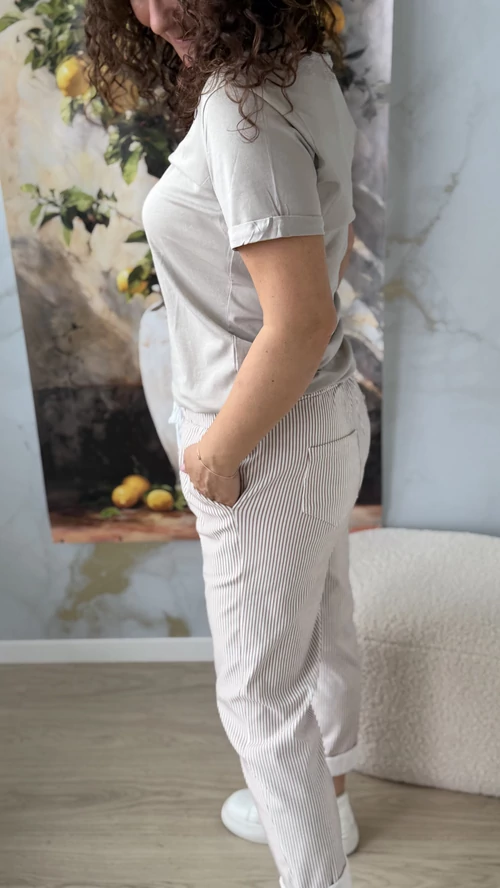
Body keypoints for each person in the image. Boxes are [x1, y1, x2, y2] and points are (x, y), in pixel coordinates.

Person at [85, 3, 370, 887]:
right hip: (325, 418)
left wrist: (213, 455)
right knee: (325, 625)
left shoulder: (241, 109)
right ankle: (332, 801)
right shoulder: (303, 68)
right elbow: (336, 245)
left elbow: (300, 319)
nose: (154, 12)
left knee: (259, 697)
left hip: (264, 444)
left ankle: (317, 872)